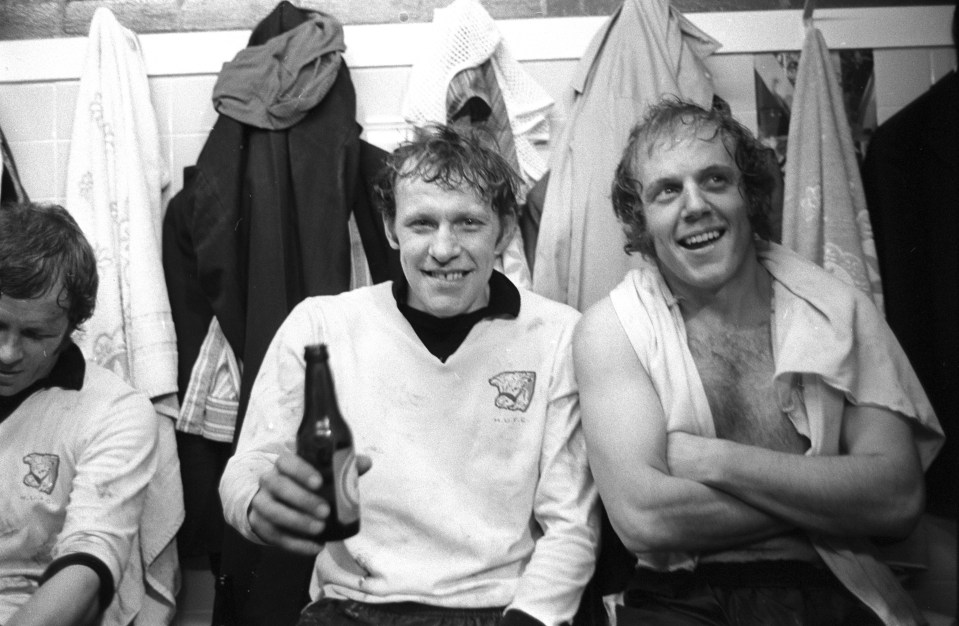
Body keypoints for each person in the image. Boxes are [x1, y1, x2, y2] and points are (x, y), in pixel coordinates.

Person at [573, 100, 944, 625]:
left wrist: (714, 461)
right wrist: (831, 497)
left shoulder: (837, 310)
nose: (695, 205)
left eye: (716, 180)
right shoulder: (612, 330)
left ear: (749, 195)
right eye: (667, 190)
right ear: (642, 222)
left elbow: (897, 499)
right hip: (679, 598)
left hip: (834, 585)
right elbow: (646, 519)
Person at [219, 124, 598, 626]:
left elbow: (571, 523)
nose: (443, 249)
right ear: (391, 228)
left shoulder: (557, 335)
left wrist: (528, 619)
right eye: (421, 224)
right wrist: (258, 505)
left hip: (502, 608)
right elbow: (247, 468)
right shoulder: (321, 326)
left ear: (505, 229)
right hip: (354, 608)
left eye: (467, 223)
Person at [0, 202, 159, 625]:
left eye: (36, 335)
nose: (8, 353)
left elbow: (87, 561)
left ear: (73, 326)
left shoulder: (114, 412)